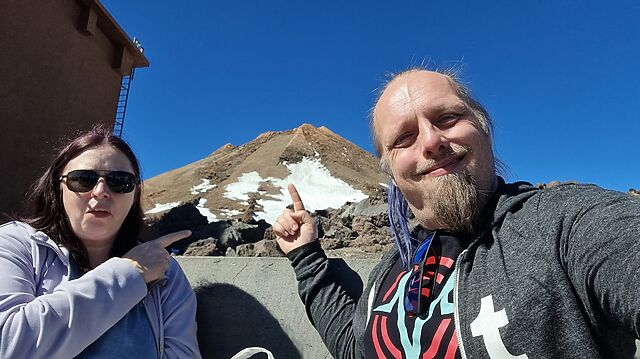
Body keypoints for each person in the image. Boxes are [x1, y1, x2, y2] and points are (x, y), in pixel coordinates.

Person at [273, 68, 640, 358]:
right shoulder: (389, 272)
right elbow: (358, 350)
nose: (431, 141)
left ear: (484, 129)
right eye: (404, 138)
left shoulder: (560, 224)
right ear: (390, 172)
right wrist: (306, 257)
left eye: (448, 117)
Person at [0, 127, 201, 358]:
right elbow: (7, 345)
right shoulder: (16, 245)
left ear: (134, 195)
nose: (101, 191)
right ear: (58, 188)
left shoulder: (165, 270)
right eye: (83, 179)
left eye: (120, 182)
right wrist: (128, 273)